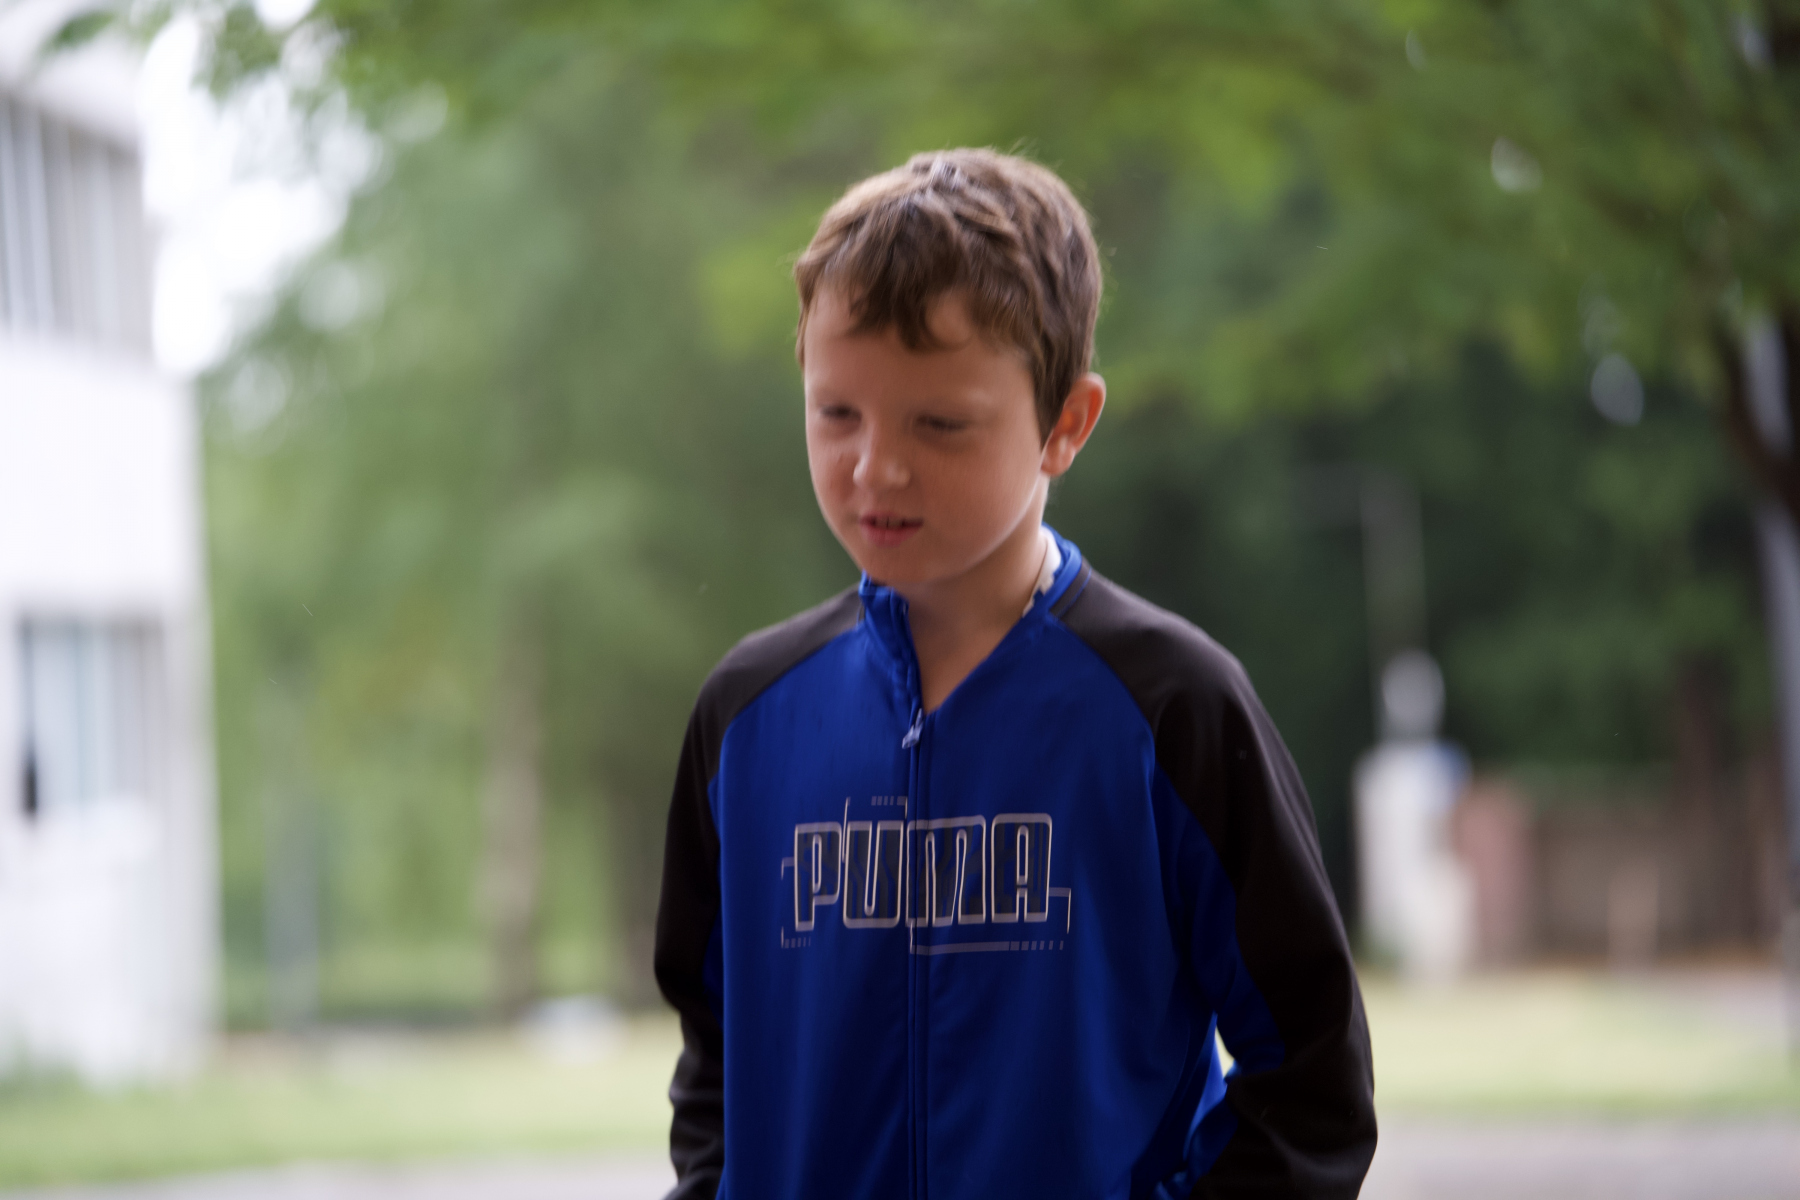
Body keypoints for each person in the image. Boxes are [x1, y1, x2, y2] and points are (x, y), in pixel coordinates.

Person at [654, 148, 1376, 1200]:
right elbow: (715, 1063)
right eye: (837, 413)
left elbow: (1311, 1081)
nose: (875, 467)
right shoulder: (746, 719)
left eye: (939, 423)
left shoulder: (1172, 708)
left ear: (1065, 425)